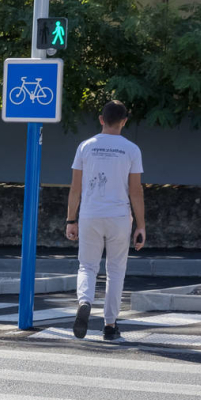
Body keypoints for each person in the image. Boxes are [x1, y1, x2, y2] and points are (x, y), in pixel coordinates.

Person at [66, 100, 145, 341]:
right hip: (119, 217)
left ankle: (85, 301)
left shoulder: (85, 147)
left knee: (87, 266)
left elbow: (75, 188)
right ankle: (110, 326)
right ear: (124, 121)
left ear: (101, 119)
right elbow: (135, 191)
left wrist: (71, 220)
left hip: (90, 215)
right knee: (115, 271)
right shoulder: (131, 149)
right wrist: (140, 225)